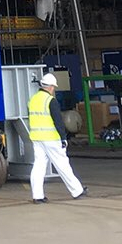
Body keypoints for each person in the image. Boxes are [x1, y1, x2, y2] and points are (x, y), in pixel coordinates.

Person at [27, 73, 86, 203]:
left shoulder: (33, 99)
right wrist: (63, 138)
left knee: (38, 166)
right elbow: (58, 121)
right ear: (50, 87)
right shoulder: (50, 101)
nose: (54, 89)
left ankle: (37, 196)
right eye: (53, 87)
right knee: (63, 165)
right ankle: (77, 190)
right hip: (51, 138)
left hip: (36, 138)